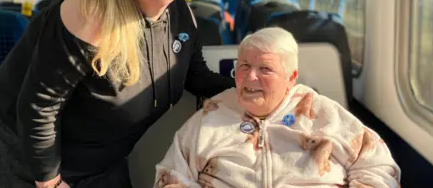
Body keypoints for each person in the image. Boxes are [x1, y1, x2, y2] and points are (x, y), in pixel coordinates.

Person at [0, 0, 234, 187]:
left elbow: (196, 75)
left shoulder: (181, 15)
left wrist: (255, 90)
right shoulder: (90, 13)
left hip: (105, 155)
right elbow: (40, 106)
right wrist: (50, 181)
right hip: (29, 154)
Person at [154, 27, 401, 188]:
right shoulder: (211, 115)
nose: (250, 77)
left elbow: (378, 166)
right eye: (243, 66)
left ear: (291, 78)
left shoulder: (323, 113)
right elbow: (171, 175)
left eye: (265, 69)